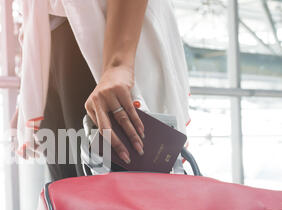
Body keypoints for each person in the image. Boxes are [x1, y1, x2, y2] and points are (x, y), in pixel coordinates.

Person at [14, 0, 191, 181]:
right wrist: (29, 94)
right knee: (71, 195)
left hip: (102, 39)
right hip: (50, 47)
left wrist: (118, 65)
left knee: (128, 193)